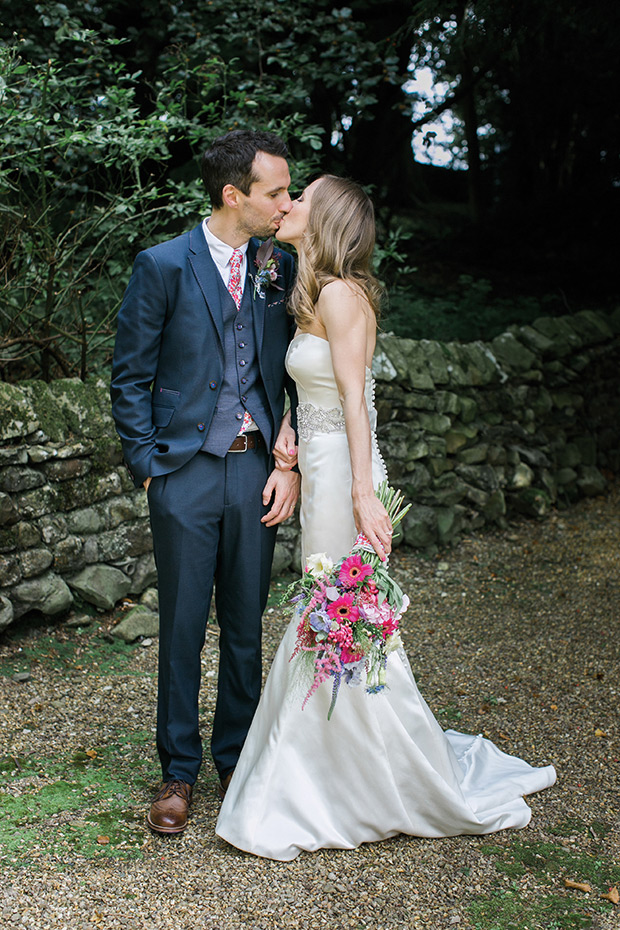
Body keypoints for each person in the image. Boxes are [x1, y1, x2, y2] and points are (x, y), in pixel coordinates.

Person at [215, 175, 556, 861]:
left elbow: (355, 403)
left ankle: (353, 779)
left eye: (302, 198)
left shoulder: (342, 296)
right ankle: (338, 768)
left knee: (342, 618)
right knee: (334, 615)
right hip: (323, 464)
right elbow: (312, 389)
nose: (289, 207)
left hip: (346, 475)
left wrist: (363, 495)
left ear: (328, 219)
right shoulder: (317, 293)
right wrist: (289, 432)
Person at [110, 130, 300, 835]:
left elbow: (298, 371)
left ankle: (239, 765)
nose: (287, 202)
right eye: (276, 192)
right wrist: (150, 467)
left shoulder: (279, 266)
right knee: (184, 626)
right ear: (233, 195)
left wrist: (292, 458)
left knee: (245, 625)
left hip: (257, 469)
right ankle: (178, 772)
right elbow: (129, 375)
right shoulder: (162, 265)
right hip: (184, 472)